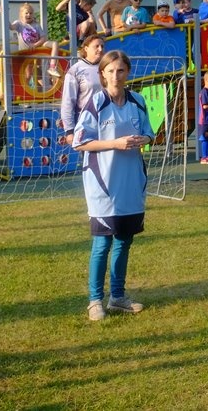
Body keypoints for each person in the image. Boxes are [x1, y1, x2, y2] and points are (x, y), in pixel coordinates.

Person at [72, 50, 155, 321]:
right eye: (110, 71)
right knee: (102, 243)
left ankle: (117, 297)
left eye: (120, 70)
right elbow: (80, 142)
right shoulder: (96, 102)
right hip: (103, 183)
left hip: (131, 181)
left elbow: (149, 133)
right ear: (102, 74)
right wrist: (115, 144)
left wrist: (143, 139)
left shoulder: (138, 101)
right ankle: (95, 301)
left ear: (127, 72)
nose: (115, 76)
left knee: (124, 241)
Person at [60, 34, 105, 145]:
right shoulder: (76, 70)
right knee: (90, 155)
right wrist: (69, 130)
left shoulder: (107, 68)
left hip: (108, 122)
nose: (100, 49)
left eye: (102, 46)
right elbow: (68, 101)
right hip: (86, 124)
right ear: (86, 48)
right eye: (96, 46)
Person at [10, 2, 62, 78]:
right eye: (26, 13)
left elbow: (43, 38)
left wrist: (35, 45)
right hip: (26, 51)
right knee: (28, 74)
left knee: (55, 43)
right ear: (21, 14)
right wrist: (4, 14)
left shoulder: (36, 25)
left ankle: (52, 67)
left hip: (37, 48)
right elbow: (11, 27)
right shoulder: (19, 24)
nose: (29, 15)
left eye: (31, 13)